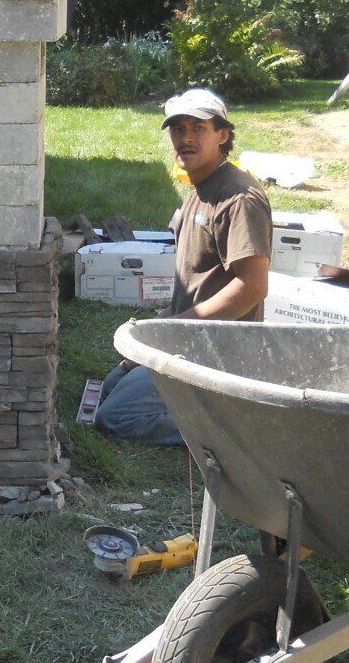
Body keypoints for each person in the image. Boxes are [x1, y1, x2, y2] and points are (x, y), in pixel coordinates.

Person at [95, 88, 273, 444]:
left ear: (222, 134)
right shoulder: (200, 187)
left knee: (114, 416)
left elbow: (253, 287)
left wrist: (175, 329)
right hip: (186, 336)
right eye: (178, 129)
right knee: (108, 388)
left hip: (216, 351)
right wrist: (158, 330)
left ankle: (235, 427)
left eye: (198, 128)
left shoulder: (239, 199)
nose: (186, 138)